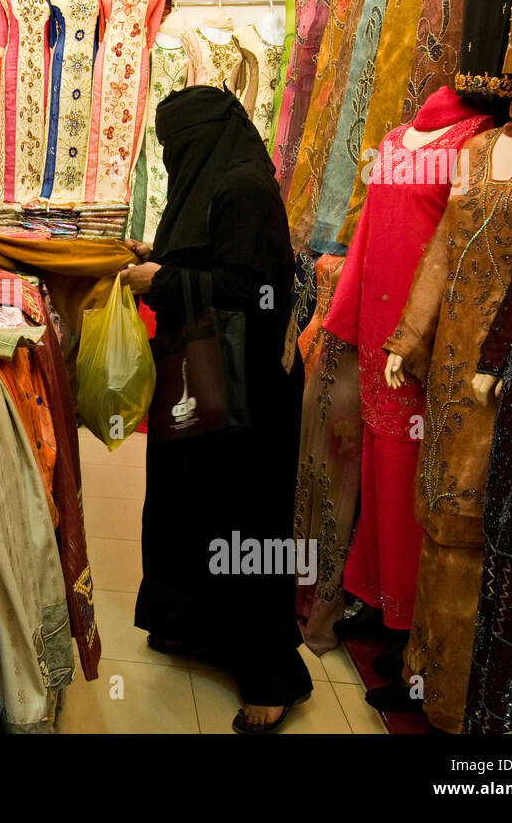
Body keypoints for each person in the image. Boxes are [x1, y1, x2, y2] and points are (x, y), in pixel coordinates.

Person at [119, 85, 311, 733]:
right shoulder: (216, 180)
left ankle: (270, 678)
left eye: (178, 146)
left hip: (248, 396)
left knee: (247, 525)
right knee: (186, 507)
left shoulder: (245, 189)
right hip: (201, 379)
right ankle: (193, 626)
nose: (173, 158)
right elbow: (212, 257)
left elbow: (256, 292)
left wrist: (165, 282)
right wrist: (160, 261)